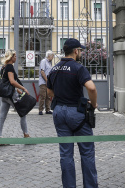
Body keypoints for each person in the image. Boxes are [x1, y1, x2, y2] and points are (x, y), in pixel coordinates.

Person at [47, 38, 98, 188]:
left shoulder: (54, 69)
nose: (81, 52)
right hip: (77, 113)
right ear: (75, 51)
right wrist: (93, 104)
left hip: (59, 113)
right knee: (87, 152)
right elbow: (92, 88)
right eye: (80, 50)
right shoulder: (78, 68)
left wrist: (60, 97)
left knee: (66, 154)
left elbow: (50, 91)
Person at [0, 49, 30, 145]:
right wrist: (23, 88)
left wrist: (18, 90)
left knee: (2, 117)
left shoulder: (4, 67)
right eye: (15, 56)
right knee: (23, 113)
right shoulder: (10, 67)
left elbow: (6, 81)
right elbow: (12, 81)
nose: (16, 57)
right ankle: (26, 135)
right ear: (11, 57)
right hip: (10, 96)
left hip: (4, 95)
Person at [38, 50, 54, 115]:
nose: (53, 57)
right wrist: (47, 80)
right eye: (52, 56)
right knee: (43, 96)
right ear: (49, 55)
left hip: (48, 82)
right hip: (43, 82)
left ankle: (48, 109)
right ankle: (40, 110)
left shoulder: (49, 63)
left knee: (48, 96)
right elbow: (42, 71)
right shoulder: (44, 61)